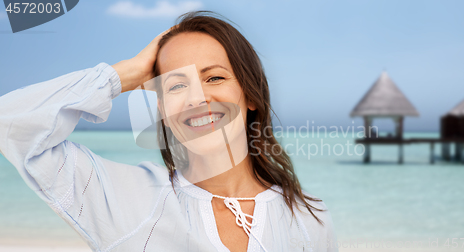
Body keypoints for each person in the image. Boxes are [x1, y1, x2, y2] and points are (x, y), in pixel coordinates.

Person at [0, 11, 338, 252]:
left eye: (215, 78)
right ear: (162, 108)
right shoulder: (124, 199)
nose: (197, 98)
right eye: (177, 86)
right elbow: (10, 123)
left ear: (249, 94)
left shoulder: (310, 218)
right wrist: (123, 76)